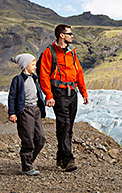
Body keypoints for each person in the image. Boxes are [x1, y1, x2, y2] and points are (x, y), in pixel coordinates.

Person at [39, 24, 89, 172]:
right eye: (70, 34)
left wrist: (83, 92)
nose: (72, 36)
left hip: (72, 92)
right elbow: (44, 75)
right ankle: (68, 160)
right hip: (59, 93)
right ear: (62, 35)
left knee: (69, 127)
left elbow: (78, 72)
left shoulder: (72, 52)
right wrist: (49, 95)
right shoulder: (50, 52)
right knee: (64, 125)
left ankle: (61, 157)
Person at [8, 53, 47, 176]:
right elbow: (12, 97)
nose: (35, 67)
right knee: (27, 139)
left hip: (36, 110)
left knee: (40, 139)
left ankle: (28, 162)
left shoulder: (34, 79)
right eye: (33, 64)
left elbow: (38, 95)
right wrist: (12, 113)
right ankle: (27, 167)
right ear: (25, 65)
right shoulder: (18, 80)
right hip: (25, 111)